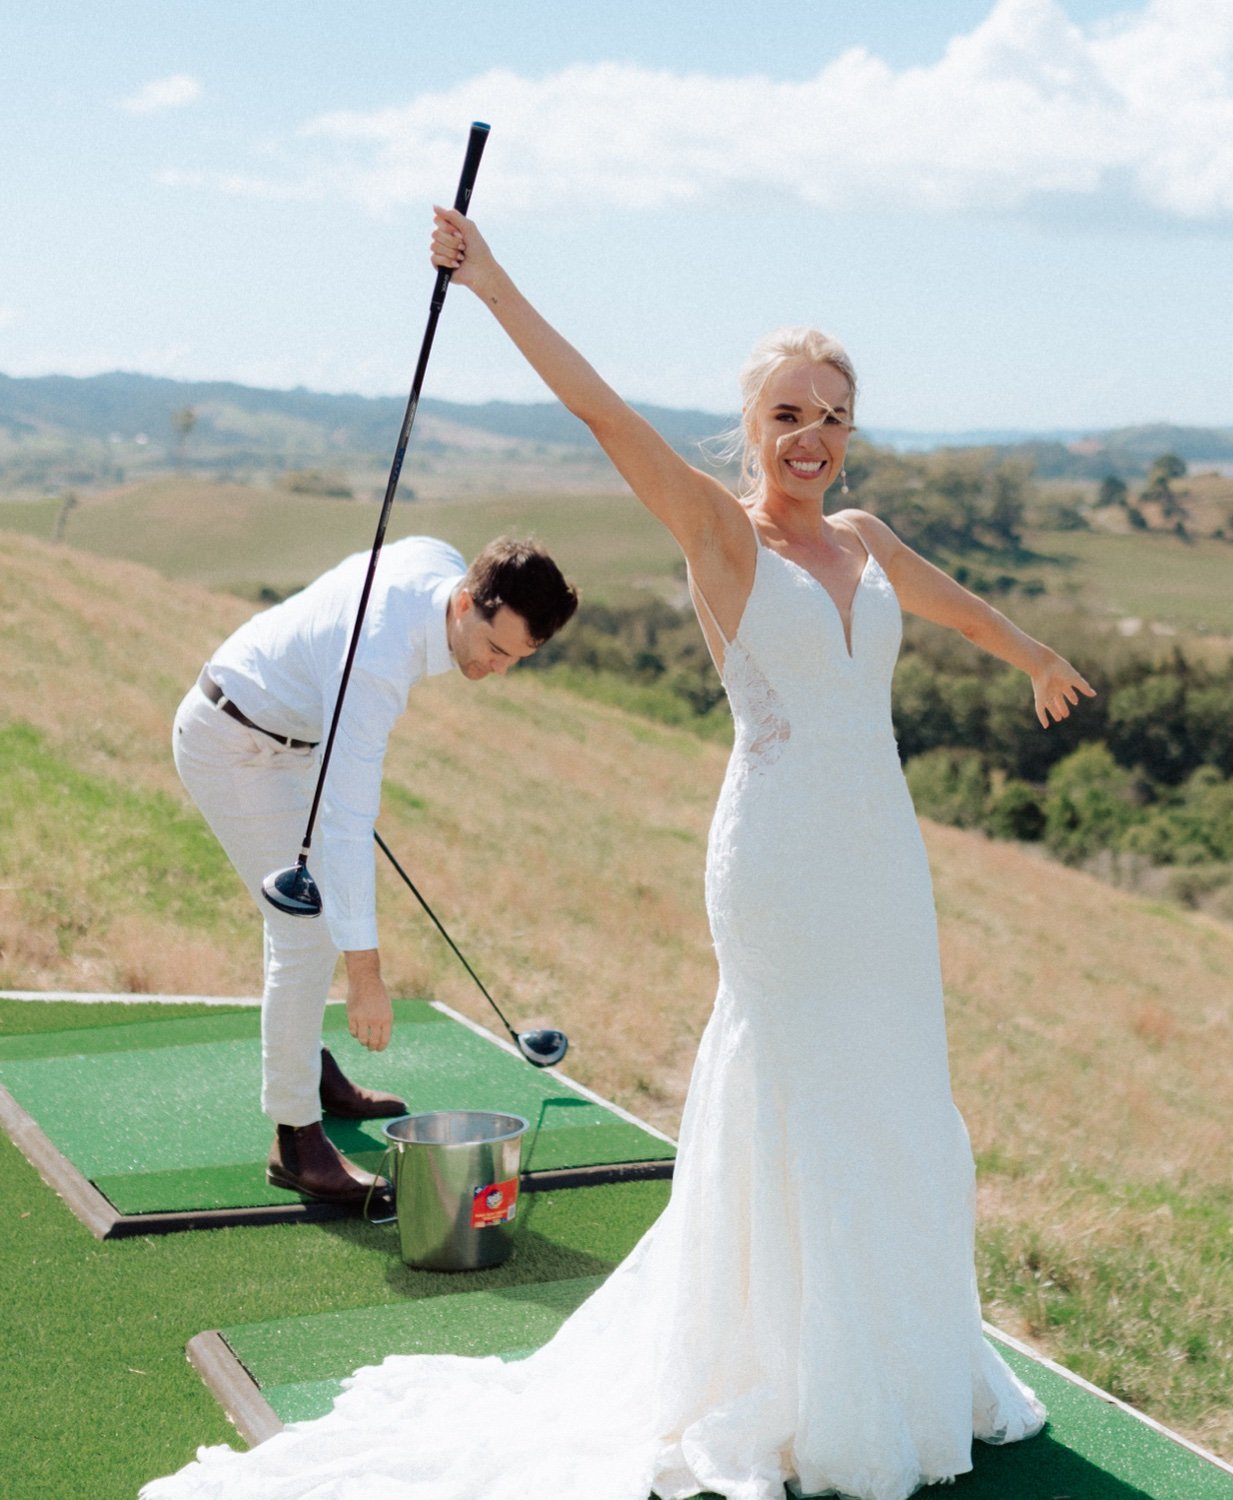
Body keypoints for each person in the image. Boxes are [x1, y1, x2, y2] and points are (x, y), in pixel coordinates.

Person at [143, 213, 1094, 1500]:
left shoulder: (864, 540)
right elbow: (600, 414)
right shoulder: (721, 532)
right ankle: (786, 1371)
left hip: (881, 857)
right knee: (798, 1089)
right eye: (787, 417)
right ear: (749, 431)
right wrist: (492, 287)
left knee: (893, 1089)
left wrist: (1031, 655)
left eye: (833, 417)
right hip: (779, 869)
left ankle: (888, 1354)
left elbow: (942, 602)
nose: (811, 440)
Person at [171, 535, 578, 1208]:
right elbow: (347, 824)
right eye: (496, 649)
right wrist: (368, 980)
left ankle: (305, 1066)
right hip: (234, 741)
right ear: (466, 602)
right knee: (305, 931)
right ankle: (296, 1143)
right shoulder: (380, 659)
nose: (498, 669)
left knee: (322, 920)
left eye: (518, 658)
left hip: (298, 738)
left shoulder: (440, 565)